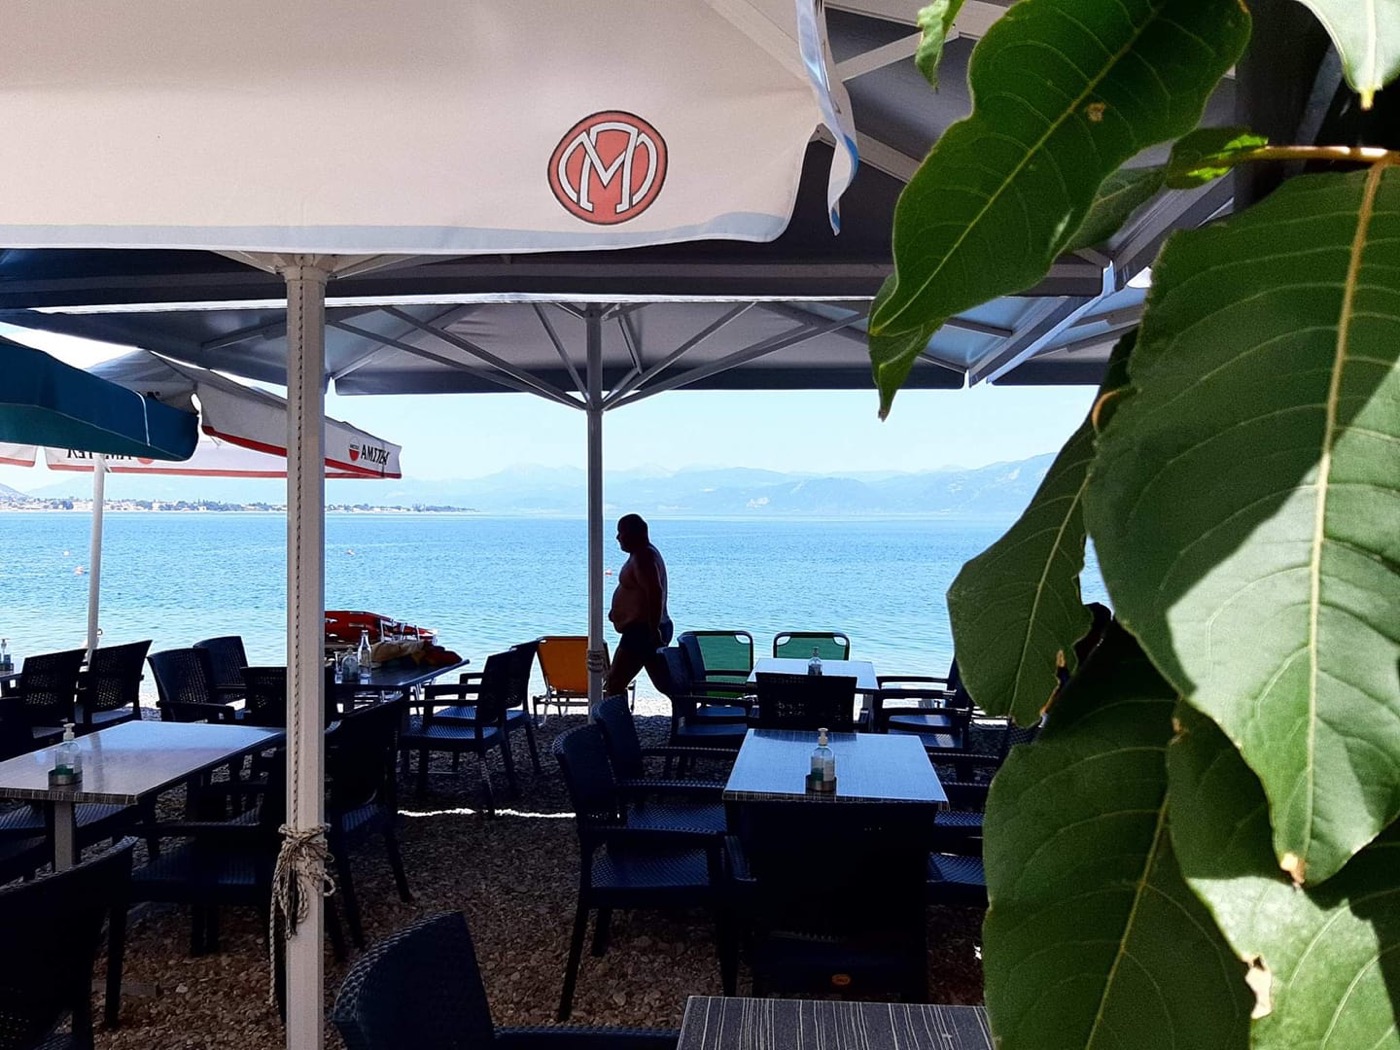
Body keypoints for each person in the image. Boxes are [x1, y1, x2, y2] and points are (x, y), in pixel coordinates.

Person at [603, 514, 673, 696]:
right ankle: (685, 715)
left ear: (634, 533)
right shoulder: (642, 554)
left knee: (614, 682)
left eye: (621, 532)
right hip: (644, 630)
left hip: (643, 631)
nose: (618, 537)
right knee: (666, 684)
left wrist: (653, 629)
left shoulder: (644, 557)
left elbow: (654, 593)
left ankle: (617, 724)